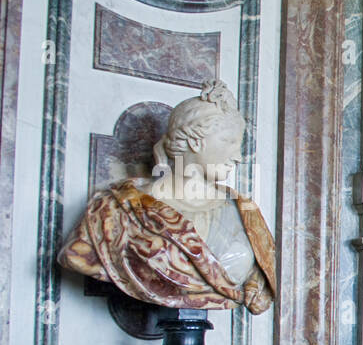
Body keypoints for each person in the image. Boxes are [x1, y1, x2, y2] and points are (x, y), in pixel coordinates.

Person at [57, 80, 276, 314]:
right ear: (194, 140)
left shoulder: (245, 212)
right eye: (229, 142)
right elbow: (76, 256)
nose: (238, 156)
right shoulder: (116, 209)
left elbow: (261, 274)